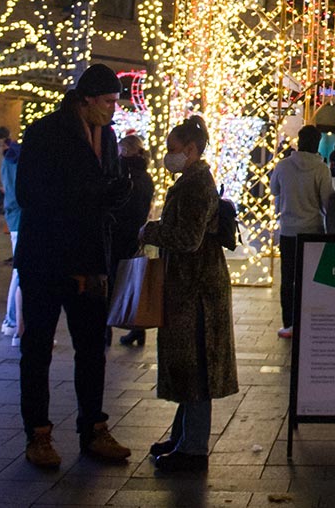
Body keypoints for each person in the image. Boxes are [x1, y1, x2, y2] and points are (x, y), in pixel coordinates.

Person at [14, 64, 132, 468]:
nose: (113, 110)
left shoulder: (110, 137)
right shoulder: (46, 132)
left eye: (116, 102)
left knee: (93, 348)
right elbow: (30, 193)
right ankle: (38, 435)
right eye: (108, 102)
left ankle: (93, 428)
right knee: (37, 348)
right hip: (47, 258)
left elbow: (105, 195)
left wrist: (118, 194)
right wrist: (92, 194)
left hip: (90, 260)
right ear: (85, 99)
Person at [139, 116, 239, 473]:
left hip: (197, 292)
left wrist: (151, 231)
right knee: (188, 366)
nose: (169, 157)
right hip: (188, 287)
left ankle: (193, 447)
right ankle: (182, 436)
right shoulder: (191, 181)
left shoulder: (196, 185)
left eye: (173, 151)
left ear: (192, 151)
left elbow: (189, 238)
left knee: (197, 368)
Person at [269, 125, 333, 338]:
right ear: (316, 144)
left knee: (288, 279)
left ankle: (289, 323)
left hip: (288, 230)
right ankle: (309, 320)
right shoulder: (321, 169)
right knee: (311, 279)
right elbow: (327, 202)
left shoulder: (283, 166)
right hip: (313, 230)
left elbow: (274, 190)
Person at [111, 135, 155, 348]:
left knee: (110, 281)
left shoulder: (122, 175)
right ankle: (137, 328)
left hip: (116, 233)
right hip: (135, 233)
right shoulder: (145, 176)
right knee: (132, 281)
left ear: (125, 152)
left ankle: (105, 329)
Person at [1, 138, 22, 344]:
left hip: (15, 217)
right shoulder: (20, 162)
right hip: (21, 219)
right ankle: (13, 321)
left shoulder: (9, 160)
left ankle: (12, 321)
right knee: (20, 272)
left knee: (19, 272)